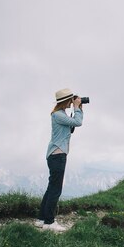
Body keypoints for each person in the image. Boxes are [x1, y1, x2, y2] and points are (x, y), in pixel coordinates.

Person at [36, 88, 84, 232]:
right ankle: (49, 222)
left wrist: (77, 108)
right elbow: (78, 122)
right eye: (71, 99)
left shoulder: (60, 114)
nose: (73, 101)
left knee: (51, 187)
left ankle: (41, 219)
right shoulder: (58, 115)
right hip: (58, 155)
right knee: (56, 189)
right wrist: (77, 108)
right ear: (67, 101)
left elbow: (72, 126)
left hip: (55, 154)